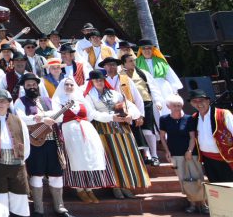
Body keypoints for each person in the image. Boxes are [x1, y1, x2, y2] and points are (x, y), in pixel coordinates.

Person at [13, 73, 77, 217]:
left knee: (56, 174)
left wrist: (47, 117)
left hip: (52, 141)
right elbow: (21, 118)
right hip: (35, 144)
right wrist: (43, 118)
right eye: (28, 85)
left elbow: (59, 116)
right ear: (24, 87)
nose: (31, 87)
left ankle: (60, 207)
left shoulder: (49, 100)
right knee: (36, 175)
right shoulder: (20, 102)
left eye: (33, 84)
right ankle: (38, 209)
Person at [84, 71, 150, 199]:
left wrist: (132, 114)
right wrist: (110, 117)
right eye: (96, 80)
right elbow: (92, 114)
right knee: (111, 157)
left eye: (101, 79)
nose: (99, 82)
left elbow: (129, 105)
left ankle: (126, 185)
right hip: (104, 129)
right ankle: (116, 187)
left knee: (125, 156)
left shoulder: (114, 93)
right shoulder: (89, 96)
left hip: (122, 129)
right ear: (91, 82)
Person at [53, 77, 115, 203]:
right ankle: (80, 190)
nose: (69, 87)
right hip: (70, 132)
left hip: (87, 131)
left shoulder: (82, 100)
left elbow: (93, 114)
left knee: (89, 157)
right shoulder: (58, 100)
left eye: (71, 84)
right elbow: (56, 117)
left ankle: (89, 189)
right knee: (75, 159)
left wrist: (112, 117)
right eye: (67, 85)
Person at [159, 93, 208, 213]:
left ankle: (204, 204)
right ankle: (191, 203)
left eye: (179, 105)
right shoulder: (164, 119)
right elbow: (162, 137)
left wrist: (189, 151)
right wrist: (167, 151)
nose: (177, 108)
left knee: (198, 177)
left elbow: (192, 137)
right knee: (183, 179)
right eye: (174, 105)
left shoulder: (189, 118)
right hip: (175, 153)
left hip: (191, 153)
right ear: (168, 106)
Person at [121, 54, 164, 166]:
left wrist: (158, 101)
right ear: (124, 63)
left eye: (134, 60)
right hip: (130, 106)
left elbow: (153, 88)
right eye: (130, 61)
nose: (133, 63)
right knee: (137, 131)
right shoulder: (121, 76)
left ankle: (154, 155)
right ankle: (146, 155)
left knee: (148, 130)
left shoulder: (143, 73)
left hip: (146, 103)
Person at [189, 88, 233, 182]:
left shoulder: (223, 114)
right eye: (195, 101)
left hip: (226, 159)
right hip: (208, 160)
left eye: (201, 100)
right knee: (217, 188)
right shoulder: (194, 117)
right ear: (192, 104)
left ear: (208, 101)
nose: (199, 104)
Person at [136, 39, 183, 108]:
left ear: (153, 49)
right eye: (144, 48)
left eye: (149, 48)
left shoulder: (161, 61)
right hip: (147, 89)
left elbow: (170, 76)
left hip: (164, 88)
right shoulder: (136, 62)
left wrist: (175, 92)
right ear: (141, 50)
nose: (146, 50)